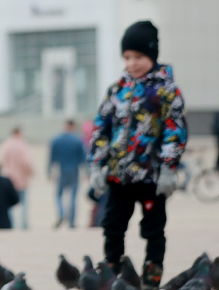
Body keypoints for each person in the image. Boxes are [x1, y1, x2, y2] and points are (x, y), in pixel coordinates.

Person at [88, 20, 187, 290]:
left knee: (153, 230)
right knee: (112, 227)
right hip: (119, 176)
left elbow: (174, 130)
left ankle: (151, 279)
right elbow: (101, 129)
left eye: (139, 57)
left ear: (152, 56)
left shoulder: (166, 90)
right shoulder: (117, 90)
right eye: (128, 57)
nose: (132, 63)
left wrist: (169, 167)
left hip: (151, 176)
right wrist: (97, 166)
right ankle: (115, 276)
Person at [49, 119, 87, 228]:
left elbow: (52, 158)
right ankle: (71, 221)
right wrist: (87, 172)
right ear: (73, 126)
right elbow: (83, 159)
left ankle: (61, 213)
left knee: (58, 195)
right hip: (74, 171)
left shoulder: (56, 140)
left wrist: (49, 171)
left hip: (61, 171)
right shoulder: (78, 140)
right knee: (73, 197)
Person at [0, 126, 34, 230]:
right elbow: (26, 162)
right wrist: (30, 172)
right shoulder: (22, 145)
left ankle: (11, 223)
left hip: (9, 178)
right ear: (19, 133)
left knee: (9, 204)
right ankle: (24, 224)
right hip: (21, 178)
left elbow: (0, 162)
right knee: (24, 203)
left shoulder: (5, 145)